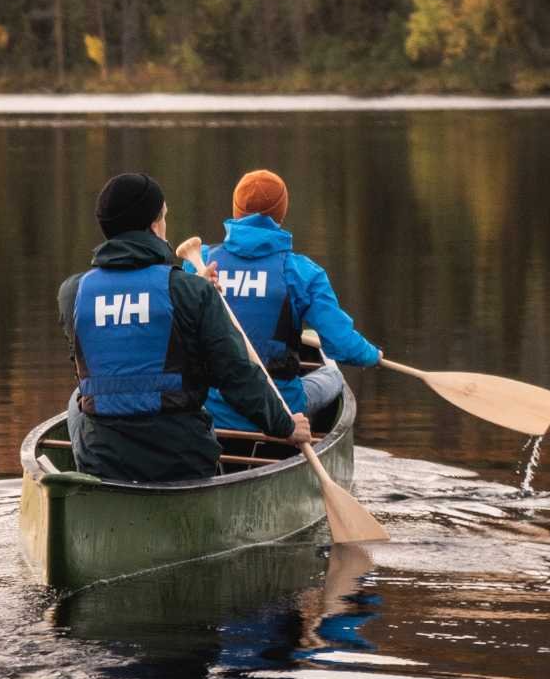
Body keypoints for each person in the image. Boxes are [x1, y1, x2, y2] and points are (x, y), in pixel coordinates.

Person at [57, 170, 311, 483]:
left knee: (78, 396)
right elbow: (236, 374)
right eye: (163, 217)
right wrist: (285, 425)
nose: (165, 226)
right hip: (180, 460)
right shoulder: (189, 292)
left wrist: (193, 292)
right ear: (153, 225)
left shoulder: (73, 293)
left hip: (104, 459)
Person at [187, 168, 380, 431]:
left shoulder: (200, 263)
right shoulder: (302, 272)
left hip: (211, 407)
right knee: (334, 376)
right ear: (281, 214)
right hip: (281, 406)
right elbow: (343, 346)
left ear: (235, 211)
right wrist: (371, 355)